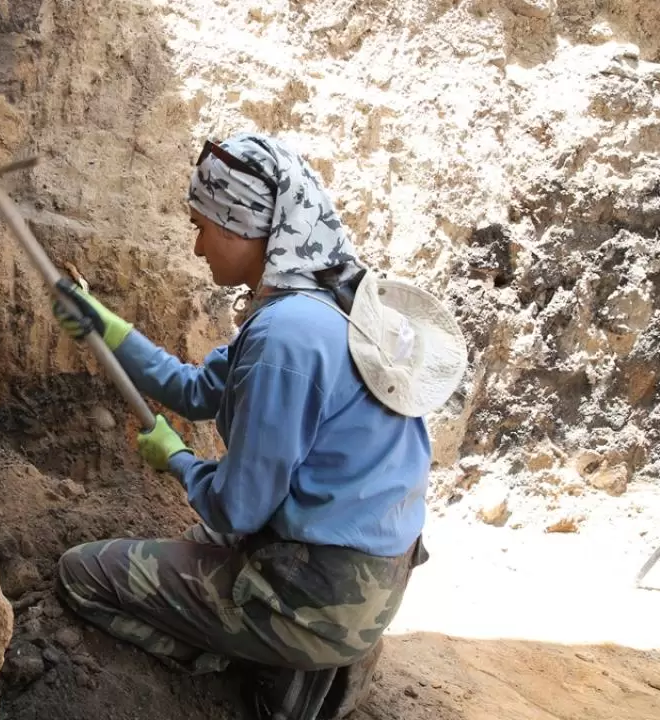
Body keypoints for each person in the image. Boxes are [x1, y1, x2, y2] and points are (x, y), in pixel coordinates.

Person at [50, 132, 466, 719]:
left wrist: (177, 461)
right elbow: (194, 391)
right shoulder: (321, 301)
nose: (198, 247)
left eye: (203, 227)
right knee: (197, 547)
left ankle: (257, 666)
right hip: (366, 577)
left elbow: (237, 508)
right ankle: (294, 646)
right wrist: (106, 327)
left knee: (82, 574)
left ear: (247, 229)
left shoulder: (283, 338)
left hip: (318, 592)